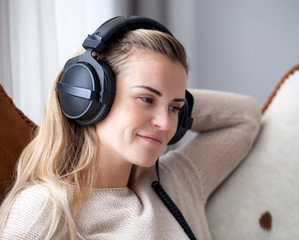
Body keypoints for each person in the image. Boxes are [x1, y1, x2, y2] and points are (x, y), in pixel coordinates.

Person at [0, 16, 261, 239]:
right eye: (146, 99)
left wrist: (176, 97)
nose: (166, 123)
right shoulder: (44, 209)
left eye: (174, 108)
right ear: (90, 97)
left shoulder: (177, 182)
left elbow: (245, 117)